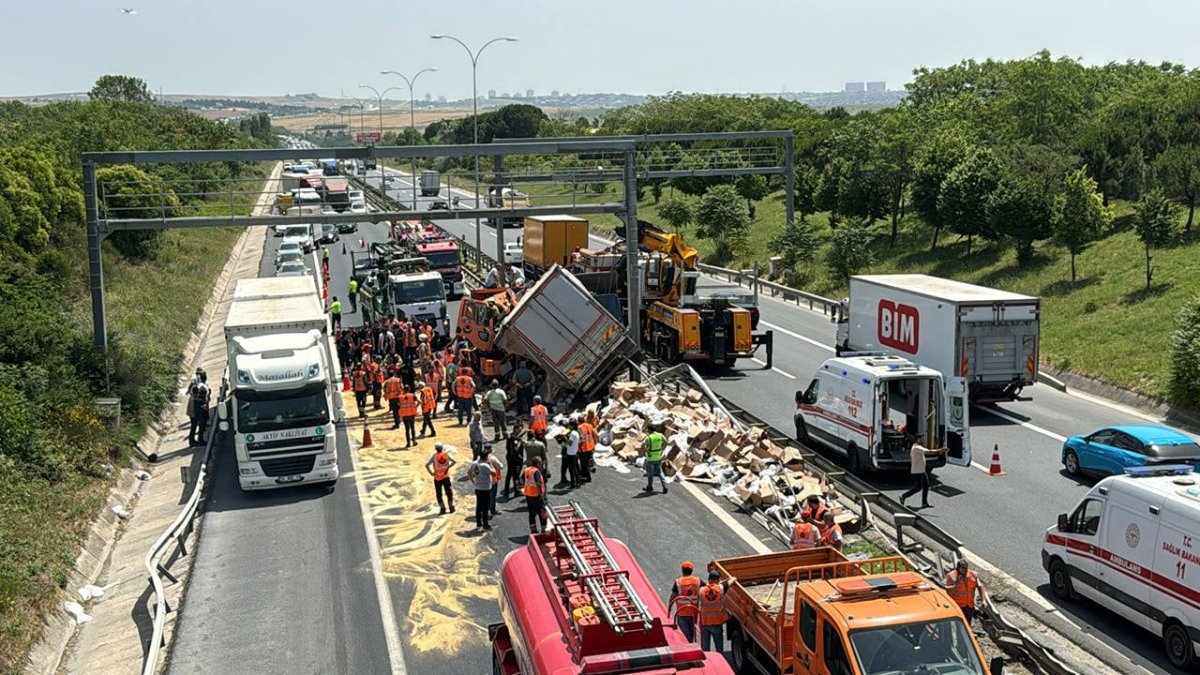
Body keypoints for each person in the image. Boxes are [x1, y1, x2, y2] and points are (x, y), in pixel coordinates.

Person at [670, 562, 701, 642]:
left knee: (684, 636)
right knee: (692, 634)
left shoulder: (678, 582)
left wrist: (669, 608)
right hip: (693, 613)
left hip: (681, 613)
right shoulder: (697, 581)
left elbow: (673, 596)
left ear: (682, 570)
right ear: (692, 570)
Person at [698, 571, 728, 654]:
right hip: (717, 624)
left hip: (705, 624)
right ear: (718, 580)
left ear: (708, 579)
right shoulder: (721, 589)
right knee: (719, 650)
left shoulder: (701, 590)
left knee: (705, 650)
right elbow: (731, 580)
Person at [468, 448, 497, 530]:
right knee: (485, 507)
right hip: (485, 489)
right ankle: (485, 524)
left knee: (479, 507)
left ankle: (479, 524)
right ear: (486, 457)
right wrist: (491, 464)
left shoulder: (475, 463)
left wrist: (473, 482)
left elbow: (469, 473)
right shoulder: (485, 465)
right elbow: (494, 473)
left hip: (478, 488)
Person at [945, 559, 981, 624]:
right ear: (958, 568)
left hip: (969, 605)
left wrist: (983, 600)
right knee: (959, 624)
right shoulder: (952, 576)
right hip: (958, 605)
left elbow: (980, 586)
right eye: (962, 569)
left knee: (967, 624)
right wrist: (957, 584)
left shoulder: (973, 574)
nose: (964, 571)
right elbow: (948, 591)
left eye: (966, 569)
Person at [424, 442, 456, 514]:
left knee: (439, 494)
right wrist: (448, 467)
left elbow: (427, 465)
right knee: (449, 493)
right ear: (442, 448)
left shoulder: (434, 456)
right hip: (445, 477)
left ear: (436, 449)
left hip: (437, 478)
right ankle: (451, 507)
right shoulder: (446, 455)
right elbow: (454, 461)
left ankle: (443, 509)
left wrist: (431, 473)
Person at [900, 441, 932, 508]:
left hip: (921, 470)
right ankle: (903, 496)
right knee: (918, 487)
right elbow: (928, 451)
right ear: (918, 439)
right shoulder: (916, 447)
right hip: (917, 471)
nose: (923, 440)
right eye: (922, 439)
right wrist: (940, 450)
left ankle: (924, 503)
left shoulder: (917, 447)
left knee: (926, 486)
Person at [523, 456, 548, 534]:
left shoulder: (527, 470)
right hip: (536, 496)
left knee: (532, 513)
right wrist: (541, 495)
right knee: (542, 513)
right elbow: (538, 484)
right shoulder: (536, 471)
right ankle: (544, 529)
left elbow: (522, 479)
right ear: (537, 463)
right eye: (540, 463)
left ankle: (533, 530)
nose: (541, 464)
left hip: (528, 495)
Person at [187, 370, 211, 447]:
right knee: (201, 424)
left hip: (193, 408)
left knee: (194, 425)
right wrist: (205, 407)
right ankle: (200, 440)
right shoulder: (202, 387)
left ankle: (192, 441)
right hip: (197, 408)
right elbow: (201, 400)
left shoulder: (198, 385)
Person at [643, 425, 667, 494]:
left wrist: (648, 452)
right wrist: (662, 450)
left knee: (650, 474)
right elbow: (666, 442)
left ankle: (649, 487)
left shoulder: (649, 437)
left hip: (651, 458)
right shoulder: (660, 435)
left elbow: (643, 445)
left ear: (650, 430)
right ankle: (665, 486)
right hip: (658, 457)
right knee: (660, 472)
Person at [504, 422, 526, 499]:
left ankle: (506, 490)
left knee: (509, 474)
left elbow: (518, 437)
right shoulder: (514, 439)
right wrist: (521, 441)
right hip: (515, 459)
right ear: (516, 429)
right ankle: (516, 491)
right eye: (520, 429)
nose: (521, 430)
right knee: (516, 475)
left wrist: (524, 432)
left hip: (510, 458)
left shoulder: (510, 436)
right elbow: (516, 447)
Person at [483, 445, 503, 517]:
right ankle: (492, 510)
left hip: (483, 481)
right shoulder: (492, 458)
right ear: (490, 450)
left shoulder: (479, 458)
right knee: (492, 496)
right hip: (492, 480)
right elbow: (500, 466)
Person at [560, 424, 581, 488]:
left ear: (572, 426)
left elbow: (570, 443)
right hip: (574, 452)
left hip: (570, 453)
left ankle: (573, 484)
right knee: (575, 468)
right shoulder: (576, 433)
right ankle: (577, 482)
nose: (568, 427)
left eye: (569, 425)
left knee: (571, 469)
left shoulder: (572, 433)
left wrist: (564, 438)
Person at [577, 415, 596, 481]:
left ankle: (586, 477)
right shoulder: (590, 426)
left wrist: (579, 447)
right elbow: (594, 434)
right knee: (587, 461)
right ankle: (589, 471)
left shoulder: (579, 427)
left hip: (584, 448)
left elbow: (581, 439)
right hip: (590, 446)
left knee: (584, 463)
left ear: (578, 421)